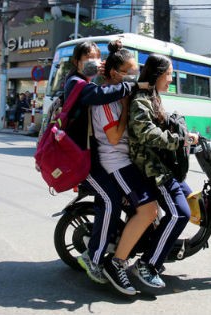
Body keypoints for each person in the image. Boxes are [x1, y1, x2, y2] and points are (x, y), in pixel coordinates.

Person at [61, 41, 148, 286]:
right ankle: (94, 258)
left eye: (98, 57)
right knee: (110, 199)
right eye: (89, 57)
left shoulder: (86, 82)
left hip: (91, 155)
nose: (95, 61)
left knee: (113, 197)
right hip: (79, 158)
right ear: (77, 61)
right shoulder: (76, 84)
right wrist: (131, 86)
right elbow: (100, 95)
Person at [90, 40, 160, 295]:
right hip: (116, 161)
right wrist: (127, 104)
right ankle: (116, 263)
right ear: (114, 73)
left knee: (153, 205)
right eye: (129, 72)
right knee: (148, 210)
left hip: (128, 159)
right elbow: (114, 138)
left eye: (135, 70)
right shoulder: (107, 100)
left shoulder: (122, 93)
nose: (133, 75)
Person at [128, 53, 199, 289]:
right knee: (180, 213)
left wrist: (183, 130)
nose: (171, 79)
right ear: (157, 74)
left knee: (191, 198)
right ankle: (147, 264)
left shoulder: (153, 96)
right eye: (169, 74)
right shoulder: (141, 100)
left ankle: (161, 244)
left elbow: (164, 121)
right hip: (151, 168)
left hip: (161, 164)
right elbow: (146, 133)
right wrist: (180, 139)